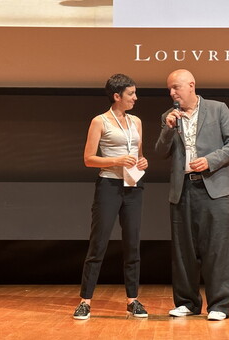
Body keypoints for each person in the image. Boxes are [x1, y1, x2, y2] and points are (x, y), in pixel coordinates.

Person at [155, 69, 229, 321]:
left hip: (212, 188)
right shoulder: (169, 116)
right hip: (182, 189)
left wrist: (210, 160)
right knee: (184, 250)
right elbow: (161, 151)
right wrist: (168, 128)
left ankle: (220, 305)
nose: (172, 93)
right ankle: (187, 302)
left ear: (191, 85)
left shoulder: (218, 109)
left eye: (176, 87)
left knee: (217, 248)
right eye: (169, 89)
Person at [73, 74, 149, 320]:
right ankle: (85, 301)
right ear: (117, 96)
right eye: (131, 94)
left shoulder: (136, 121)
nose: (135, 98)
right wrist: (116, 160)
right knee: (99, 243)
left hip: (133, 186)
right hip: (109, 185)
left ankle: (133, 300)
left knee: (132, 244)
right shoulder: (100, 121)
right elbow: (88, 159)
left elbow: (138, 154)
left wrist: (142, 161)